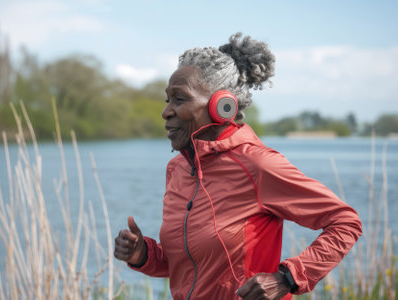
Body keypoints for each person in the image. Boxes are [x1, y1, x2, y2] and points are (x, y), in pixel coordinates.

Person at [114, 33, 362, 300]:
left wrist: (287, 278)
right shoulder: (177, 169)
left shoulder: (257, 165)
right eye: (167, 101)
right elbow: (192, 266)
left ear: (222, 106)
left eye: (180, 99)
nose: (166, 111)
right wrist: (144, 255)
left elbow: (345, 222)